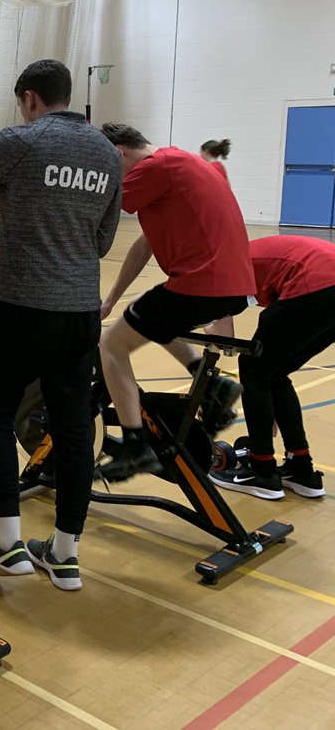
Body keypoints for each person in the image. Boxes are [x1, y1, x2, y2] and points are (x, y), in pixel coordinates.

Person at [0, 58, 122, 592]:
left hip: (21, 306)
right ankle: (64, 554)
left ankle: (7, 544)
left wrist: (5, 209)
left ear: (28, 97)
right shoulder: (108, 153)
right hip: (80, 312)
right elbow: (102, 240)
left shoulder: (20, 139)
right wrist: (19, 211)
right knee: (71, 428)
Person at [97, 122, 255, 481]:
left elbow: (96, 205)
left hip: (203, 284)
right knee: (152, 315)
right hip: (231, 285)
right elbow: (144, 246)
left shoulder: (155, 166)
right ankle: (213, 383)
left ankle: (135, 446)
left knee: (110, 346)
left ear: (118, 152)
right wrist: (111, 300)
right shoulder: (178, 164)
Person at [209, 234, 332, 499]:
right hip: (324, 284)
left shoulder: (225, 268)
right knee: (274, 373)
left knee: (253, 367)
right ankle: (301, 468)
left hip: (314, 283)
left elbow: (223, 335)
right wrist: (266, 404)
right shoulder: (247, 256)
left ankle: (261, 469)